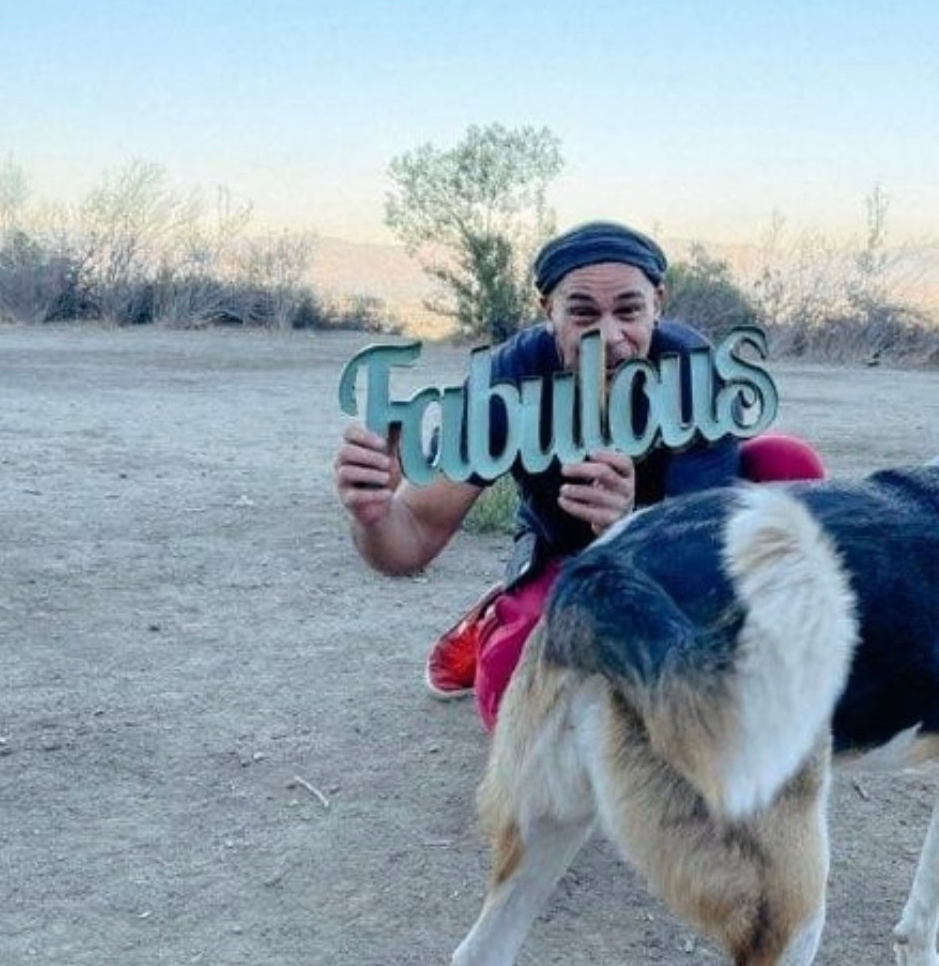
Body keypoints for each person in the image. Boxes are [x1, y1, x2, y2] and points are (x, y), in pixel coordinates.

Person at [335, 219, 824, 732]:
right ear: (549, 311)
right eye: (584, 314)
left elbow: (704, 558)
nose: (608, 338)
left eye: (629, 311)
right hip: (560, 550)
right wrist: (373, 514)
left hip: (676, 547)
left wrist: (629, 527)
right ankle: (502, 614)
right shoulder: (505, 384)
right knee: (518, 717)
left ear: (659, 301)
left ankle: (766, 651)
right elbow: (410, 540)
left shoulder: (694, 370)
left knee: (788, 465)